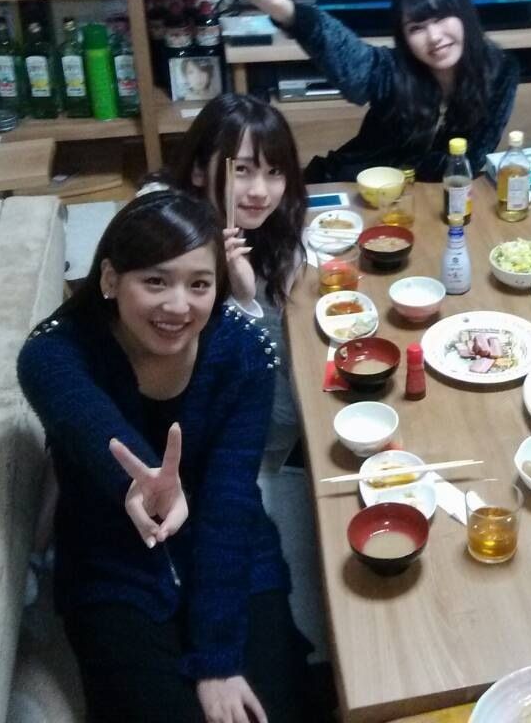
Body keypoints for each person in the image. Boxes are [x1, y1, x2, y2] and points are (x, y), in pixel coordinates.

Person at [17, 190, 310, 723]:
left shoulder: (245, 355)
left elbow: (228, 500)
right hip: (112, 560)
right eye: (156, 281)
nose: (179, 306)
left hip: (229, 547)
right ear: (110, 279)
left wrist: (217, 658)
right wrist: (137, 483)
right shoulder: (56, 352)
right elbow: (92, 425)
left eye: (199, 284)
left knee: (274, 707)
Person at [160, 95, 329, 665]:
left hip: (254, 426)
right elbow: (217, 377)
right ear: (199, 170)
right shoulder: (177, 244)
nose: (260, 190)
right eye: (243, 170)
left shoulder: (257, 232)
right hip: (200, 439)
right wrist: (240, 298)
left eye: (274, 171)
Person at [224, 0, 518, 183]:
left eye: (441, 18)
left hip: (437, 198)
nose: (434, 37)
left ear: (464, 14)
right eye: (417, 28)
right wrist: (275, 4)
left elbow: (472, 159)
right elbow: (347, 55)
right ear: (404, 38)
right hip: (356, 186)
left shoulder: (500, 71)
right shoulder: (393, 70)